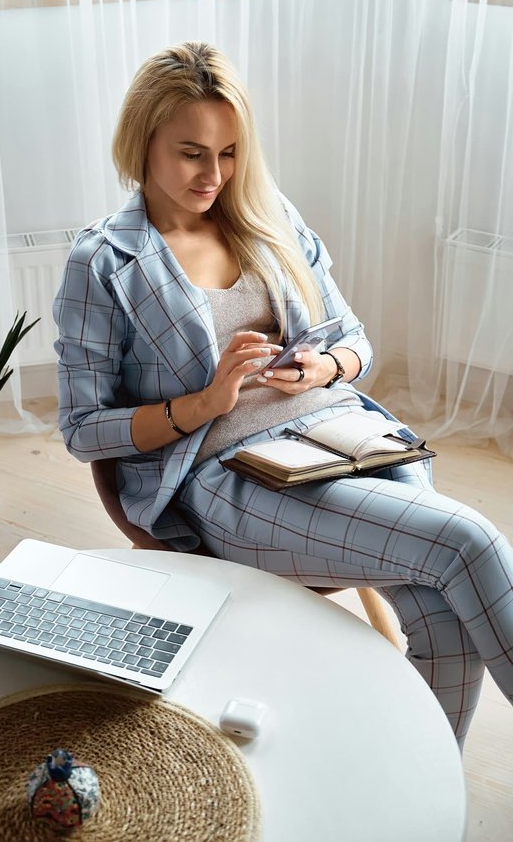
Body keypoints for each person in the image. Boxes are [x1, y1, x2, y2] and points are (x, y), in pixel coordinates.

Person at [54, 40, 513, 750]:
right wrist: (205, 403)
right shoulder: (104, 262)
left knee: (441, 609)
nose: (215, 173)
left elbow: (356, 339)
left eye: (230, 151)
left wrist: (323, 367)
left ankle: (427, 789)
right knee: (467, 539)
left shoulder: (266, 216)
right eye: (192, 153)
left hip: (343, 436)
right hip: (231, 474)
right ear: (142, 140)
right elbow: (85, 428)